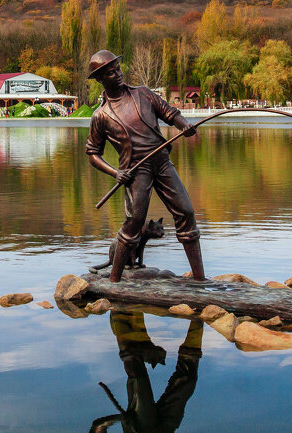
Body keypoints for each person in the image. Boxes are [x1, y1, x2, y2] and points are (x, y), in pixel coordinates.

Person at [85, 50, 204, 282]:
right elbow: (92, 154)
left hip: (162, 162)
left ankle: (200, 280)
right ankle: (114, 281)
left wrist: (184, 125)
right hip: (135, 171)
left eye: (117, 69)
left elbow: (170, 113)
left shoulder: (143, 94)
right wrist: (115, 172)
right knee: (134, 222)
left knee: (186, 212)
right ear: (100, 79)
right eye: (110, 73)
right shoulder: (100, 116)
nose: (117, 74)